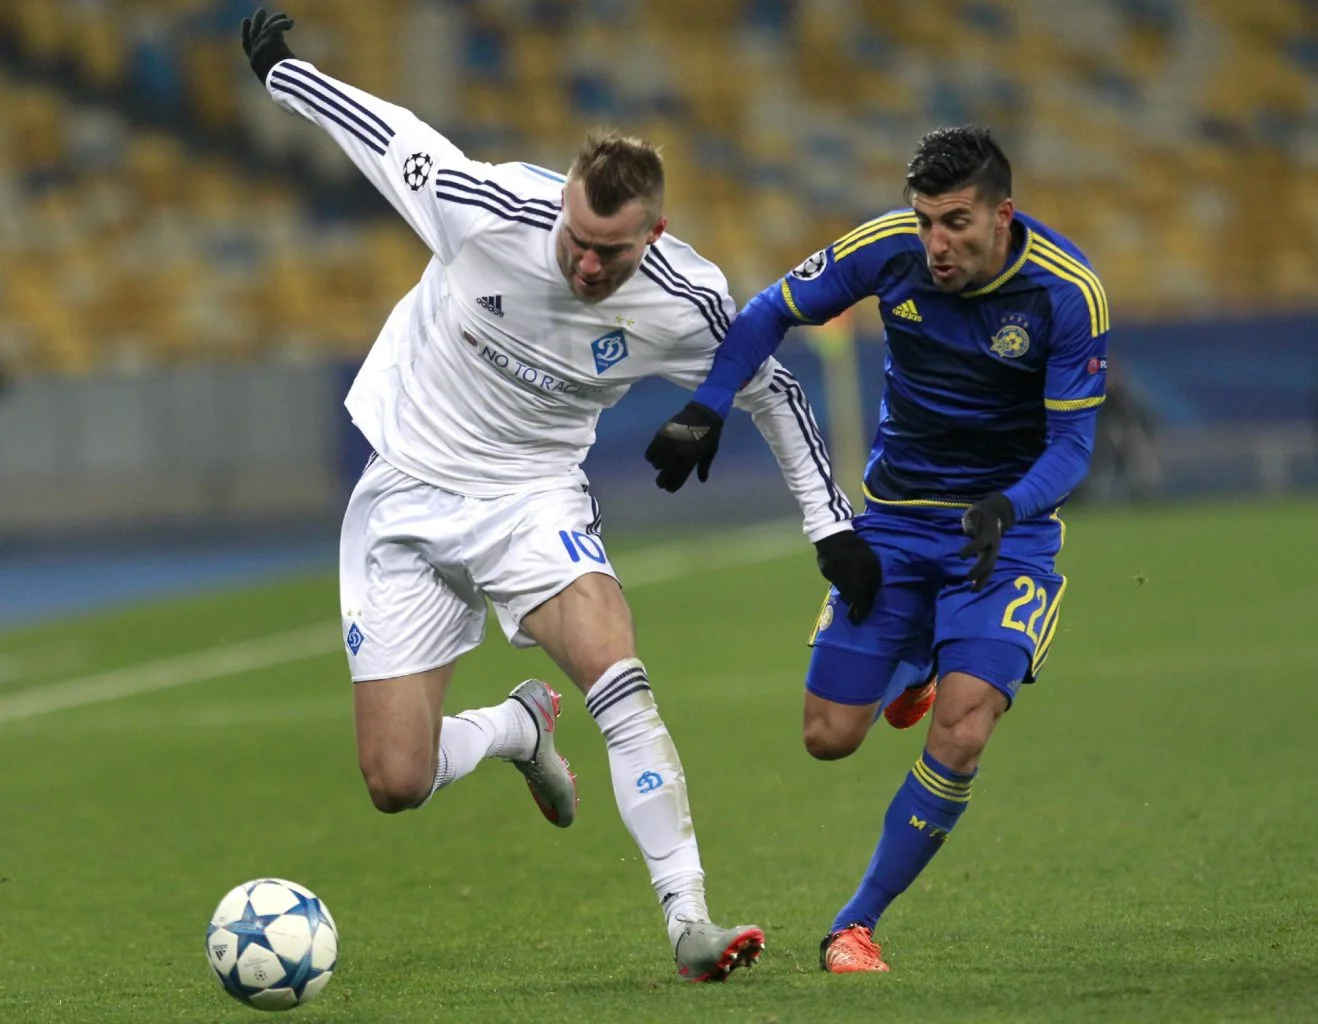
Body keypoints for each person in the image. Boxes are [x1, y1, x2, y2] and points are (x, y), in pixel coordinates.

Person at [238, 9, 879, 982]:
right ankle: (515, 727)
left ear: (653, 234)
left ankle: (690, 922)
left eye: (609, 254)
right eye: (576, 241)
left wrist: (830, 526)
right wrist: (284, 72)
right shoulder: (484, 208)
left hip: (531, 500)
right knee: (396, 780)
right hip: (404, 491)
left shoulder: (685, 300)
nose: (585, 265)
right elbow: (384, 134)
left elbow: (777, 393)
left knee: (617, 674)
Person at [647, 126, 1109, 972]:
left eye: (956, 223)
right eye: (926, 221)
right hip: (895, 520)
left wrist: (1007, 507)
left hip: (1002, 533)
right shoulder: (888, 249)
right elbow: (770, 310)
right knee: (827, 736)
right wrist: (709, 404)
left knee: (962, 732)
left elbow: (1073, 447)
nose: (936, 243)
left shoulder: (1066, 293)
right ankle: (922, 660)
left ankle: (854, 926)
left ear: (1002, 215)